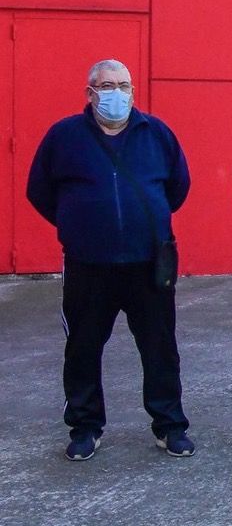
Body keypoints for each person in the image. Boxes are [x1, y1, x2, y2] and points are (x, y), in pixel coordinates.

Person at [27, 59, 194, 461]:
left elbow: (177, 186)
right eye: (107, 85)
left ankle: (169, 426)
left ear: (133, 91)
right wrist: (78, 223)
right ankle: (85, 427)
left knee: (160, 348)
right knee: (83, 348)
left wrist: (143, 221)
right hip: (88, 265)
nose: (115, 93)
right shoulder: (64, 136)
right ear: (90, 92)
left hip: (147, 263)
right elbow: (40, 191)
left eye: (123, 85)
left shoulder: (156, 133)